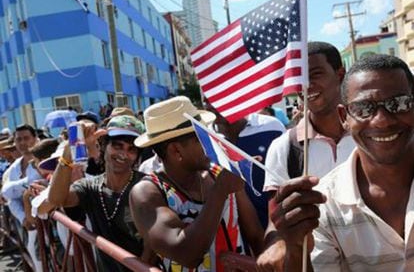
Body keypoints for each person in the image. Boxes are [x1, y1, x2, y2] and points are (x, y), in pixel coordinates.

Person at [260, 54, 414, 271]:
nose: (382, 120)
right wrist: (295, 250)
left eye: (398, 104)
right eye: (363, 108)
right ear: (344, 117)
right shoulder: (324, 205)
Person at [130, 96, 264, 271]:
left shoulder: (219, 173)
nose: (210, 142)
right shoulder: (148, 192)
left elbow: (255, 234)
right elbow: (186, 254)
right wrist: (220, 190)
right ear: (175, 150)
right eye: (200, 138)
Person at [257, 41, 356, 268]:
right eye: (298, 78)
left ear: (340, 74)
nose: (306, 85)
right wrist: (277, 244)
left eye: (316, 74)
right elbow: (276, 220)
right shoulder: (284, 147)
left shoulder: (371, 134)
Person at [48, 115, 152, 271]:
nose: (123, 154)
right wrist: (68, 153)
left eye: (131, 149)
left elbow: (152, 245)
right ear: (104, 146)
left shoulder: (147, 186)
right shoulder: (90, 186)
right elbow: (56, 200)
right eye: (117, 146)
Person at [205, 101, 286, 230]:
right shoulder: (205, 137)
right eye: (206, 101)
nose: (208, 107)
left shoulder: (272, 127)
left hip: (276, 227)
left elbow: (288, 175)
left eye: (214, 100)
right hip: (233, 237)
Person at [1, 125, 40, 228]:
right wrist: (23, 218)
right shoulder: (14, 167)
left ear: (35, 139)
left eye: (26, 138)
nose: (22, 143)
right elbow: (10, 197)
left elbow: (7, 191)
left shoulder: (42, 160)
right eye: (18, 139)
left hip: (49, 217)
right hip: (30, 223)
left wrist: (11, 188)